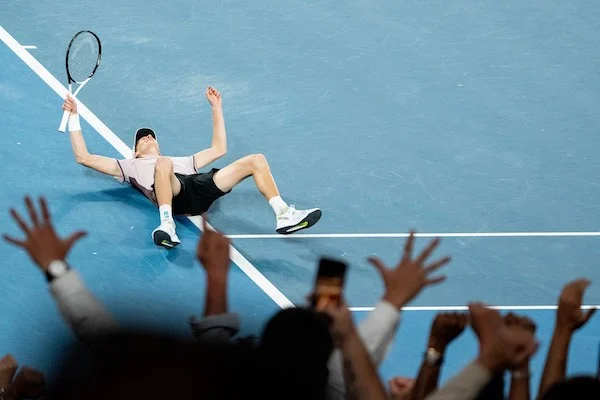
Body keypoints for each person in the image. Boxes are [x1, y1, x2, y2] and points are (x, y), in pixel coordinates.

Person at [61, 87, 322, 248]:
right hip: (174, 195)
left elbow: (219, 149)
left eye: (151, 136)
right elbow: (83, 157)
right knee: (164, 164)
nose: (148, 137)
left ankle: (283, 214)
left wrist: (216, 108)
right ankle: (167, 225)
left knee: (256, 159)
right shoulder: (128, 166)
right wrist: (74, 117)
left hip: (198, 187)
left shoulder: (184, 161)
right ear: (135, 151)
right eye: (142, 138)